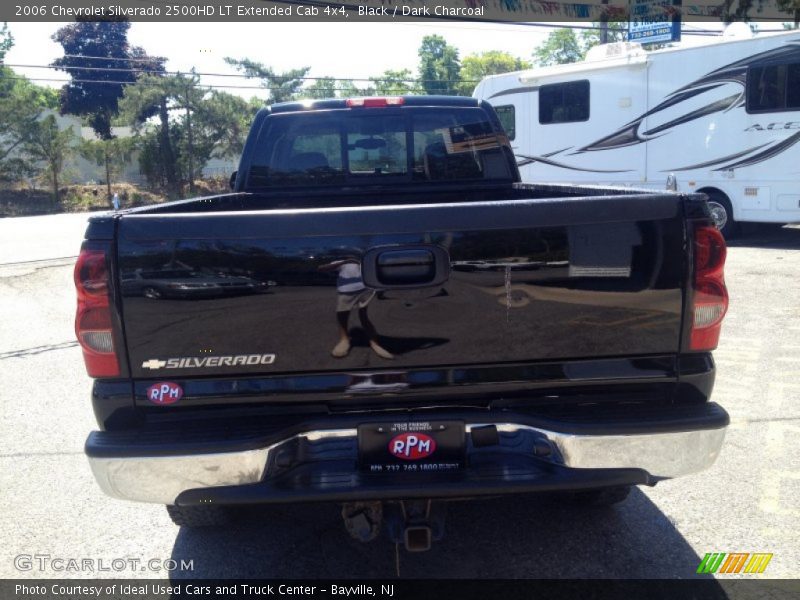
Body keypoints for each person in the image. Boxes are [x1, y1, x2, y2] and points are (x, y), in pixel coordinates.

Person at [319, 255, 393, 360]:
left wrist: (359, 263)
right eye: (349, 255)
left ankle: (374, 343)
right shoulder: (341, 262)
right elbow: (322, 268)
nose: (351, 256)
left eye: (353, 254)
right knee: (342, 316)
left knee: (364, 317)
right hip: (345, 292)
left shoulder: (363, 262)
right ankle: (344, 340)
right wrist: (344, 262)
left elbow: (375, 272)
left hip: (364, 290)